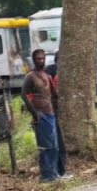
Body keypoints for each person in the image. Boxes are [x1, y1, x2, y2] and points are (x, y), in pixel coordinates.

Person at [22, 49, 64, 182]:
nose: (41, 61)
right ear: (34, 60)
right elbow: (24, 95)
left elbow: (54, 94)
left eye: (42, 58)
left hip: (50, 114)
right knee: (46, 147)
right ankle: (47, 176)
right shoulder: (30, 76)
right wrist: (35, 114)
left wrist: (56, 109)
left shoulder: (47, 75)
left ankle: (53, 173)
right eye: (38, 59)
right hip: (41, 114)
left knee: (54, 146)